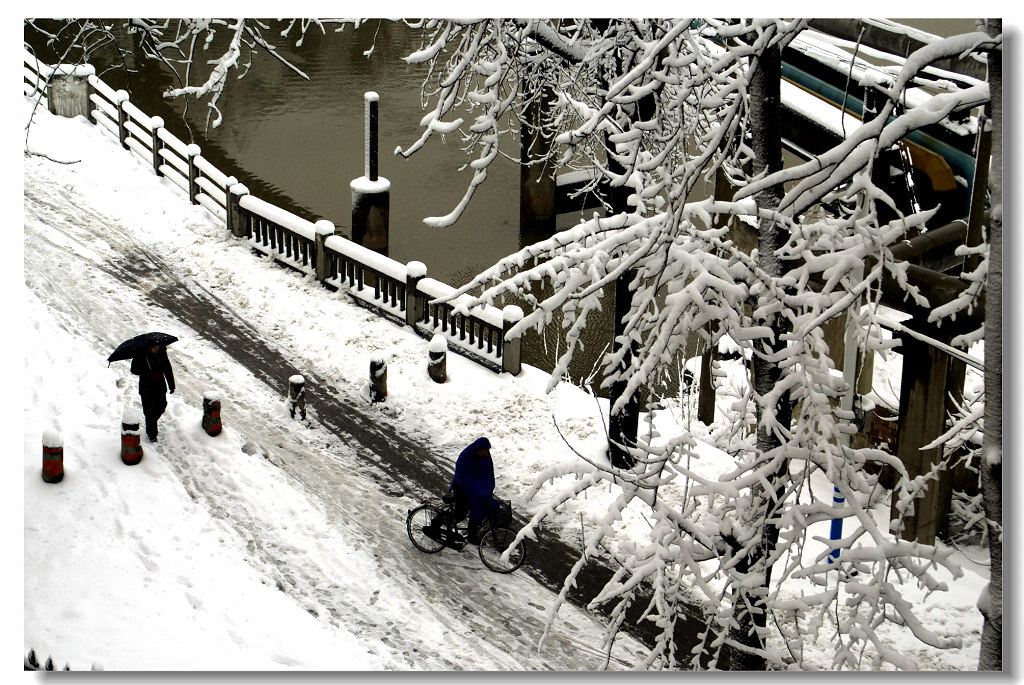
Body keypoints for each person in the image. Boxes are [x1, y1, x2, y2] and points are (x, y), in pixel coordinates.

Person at [449, 437, 500, 544]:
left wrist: (488, 489)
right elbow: (462, 477)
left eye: (487, 451)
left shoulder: (486, 456)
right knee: (460, 512)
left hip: (477, 487)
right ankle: (437, 524)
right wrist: (478, 490)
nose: (485, 454)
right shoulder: (466, 456)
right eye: (483, 451)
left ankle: (472, 536)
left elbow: (489, 473)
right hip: (462, 486)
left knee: (481, 508)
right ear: (477, 449)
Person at [130, 344, 175, 442]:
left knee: (162, 406)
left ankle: (151, 422)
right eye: (154, 347)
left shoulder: (162, 353)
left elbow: (167, 368)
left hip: (160, 386)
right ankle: (152, 435)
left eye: (158, 346)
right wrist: (146, 370)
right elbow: (133, 370)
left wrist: (171, 385)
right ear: (148, 347)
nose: (156, 348)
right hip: (146, 388)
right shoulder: (140, 354)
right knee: (149, 412)